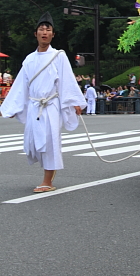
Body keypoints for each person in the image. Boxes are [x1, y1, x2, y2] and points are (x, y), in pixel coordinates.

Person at [0, 12, 87, 193]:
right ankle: (46, 176)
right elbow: (21, 86)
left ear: (53, 35)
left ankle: (47, 181)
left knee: (50, 142)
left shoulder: (59, 56)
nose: (45, 32)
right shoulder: (29, 59)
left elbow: (66, 80)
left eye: (48, 30)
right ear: (36, 34)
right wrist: (9, 107)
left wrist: (74, 102)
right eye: (42, 29)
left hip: (51, 106)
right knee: (32, 143)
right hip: (34, 106)